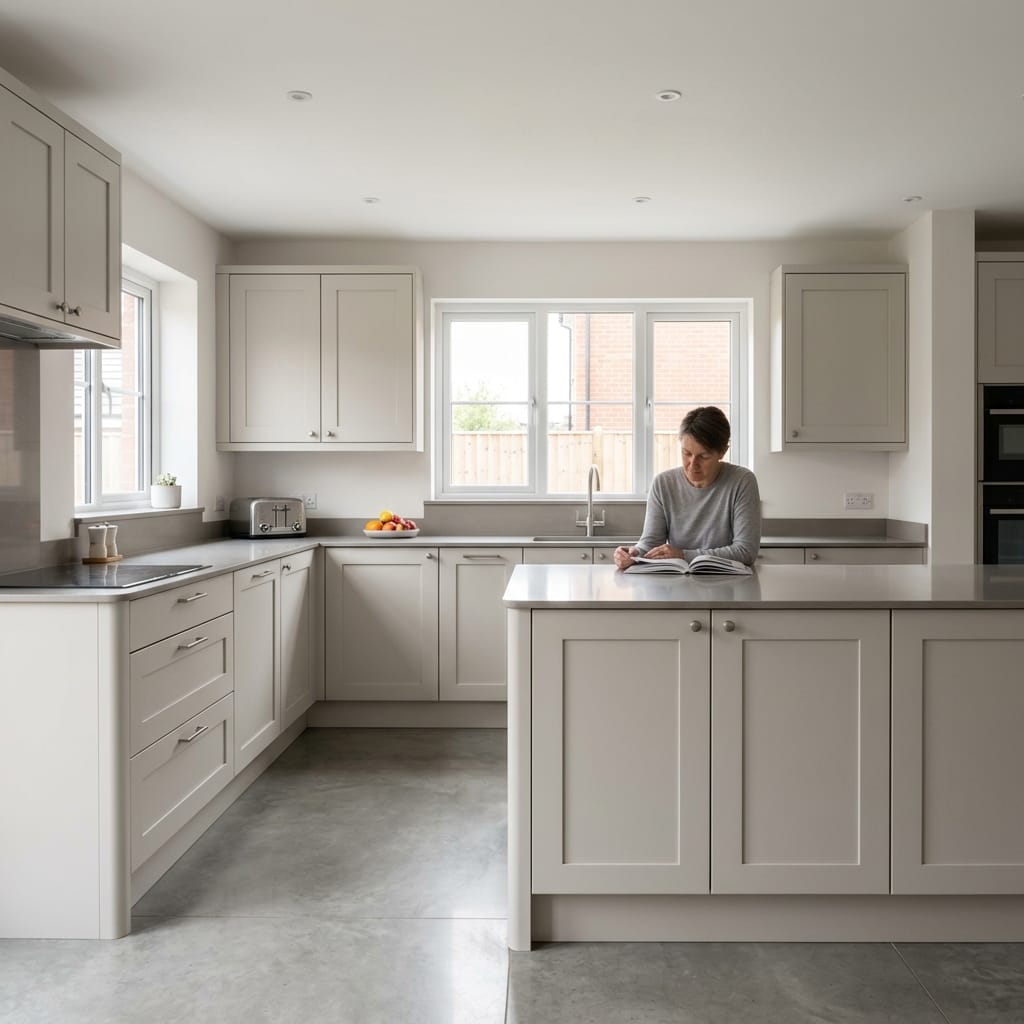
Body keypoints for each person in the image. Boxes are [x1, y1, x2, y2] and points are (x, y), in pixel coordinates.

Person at [614, 406, 761, 570]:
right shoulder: (663, 484)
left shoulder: (742, 482)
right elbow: (651, 543)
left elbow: (745, 551)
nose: (693, 465)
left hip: (727, 586)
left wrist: (684, 555)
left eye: (703, 456)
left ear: (722, 452)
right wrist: (634, 553)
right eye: (686, 453)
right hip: (677, 585)